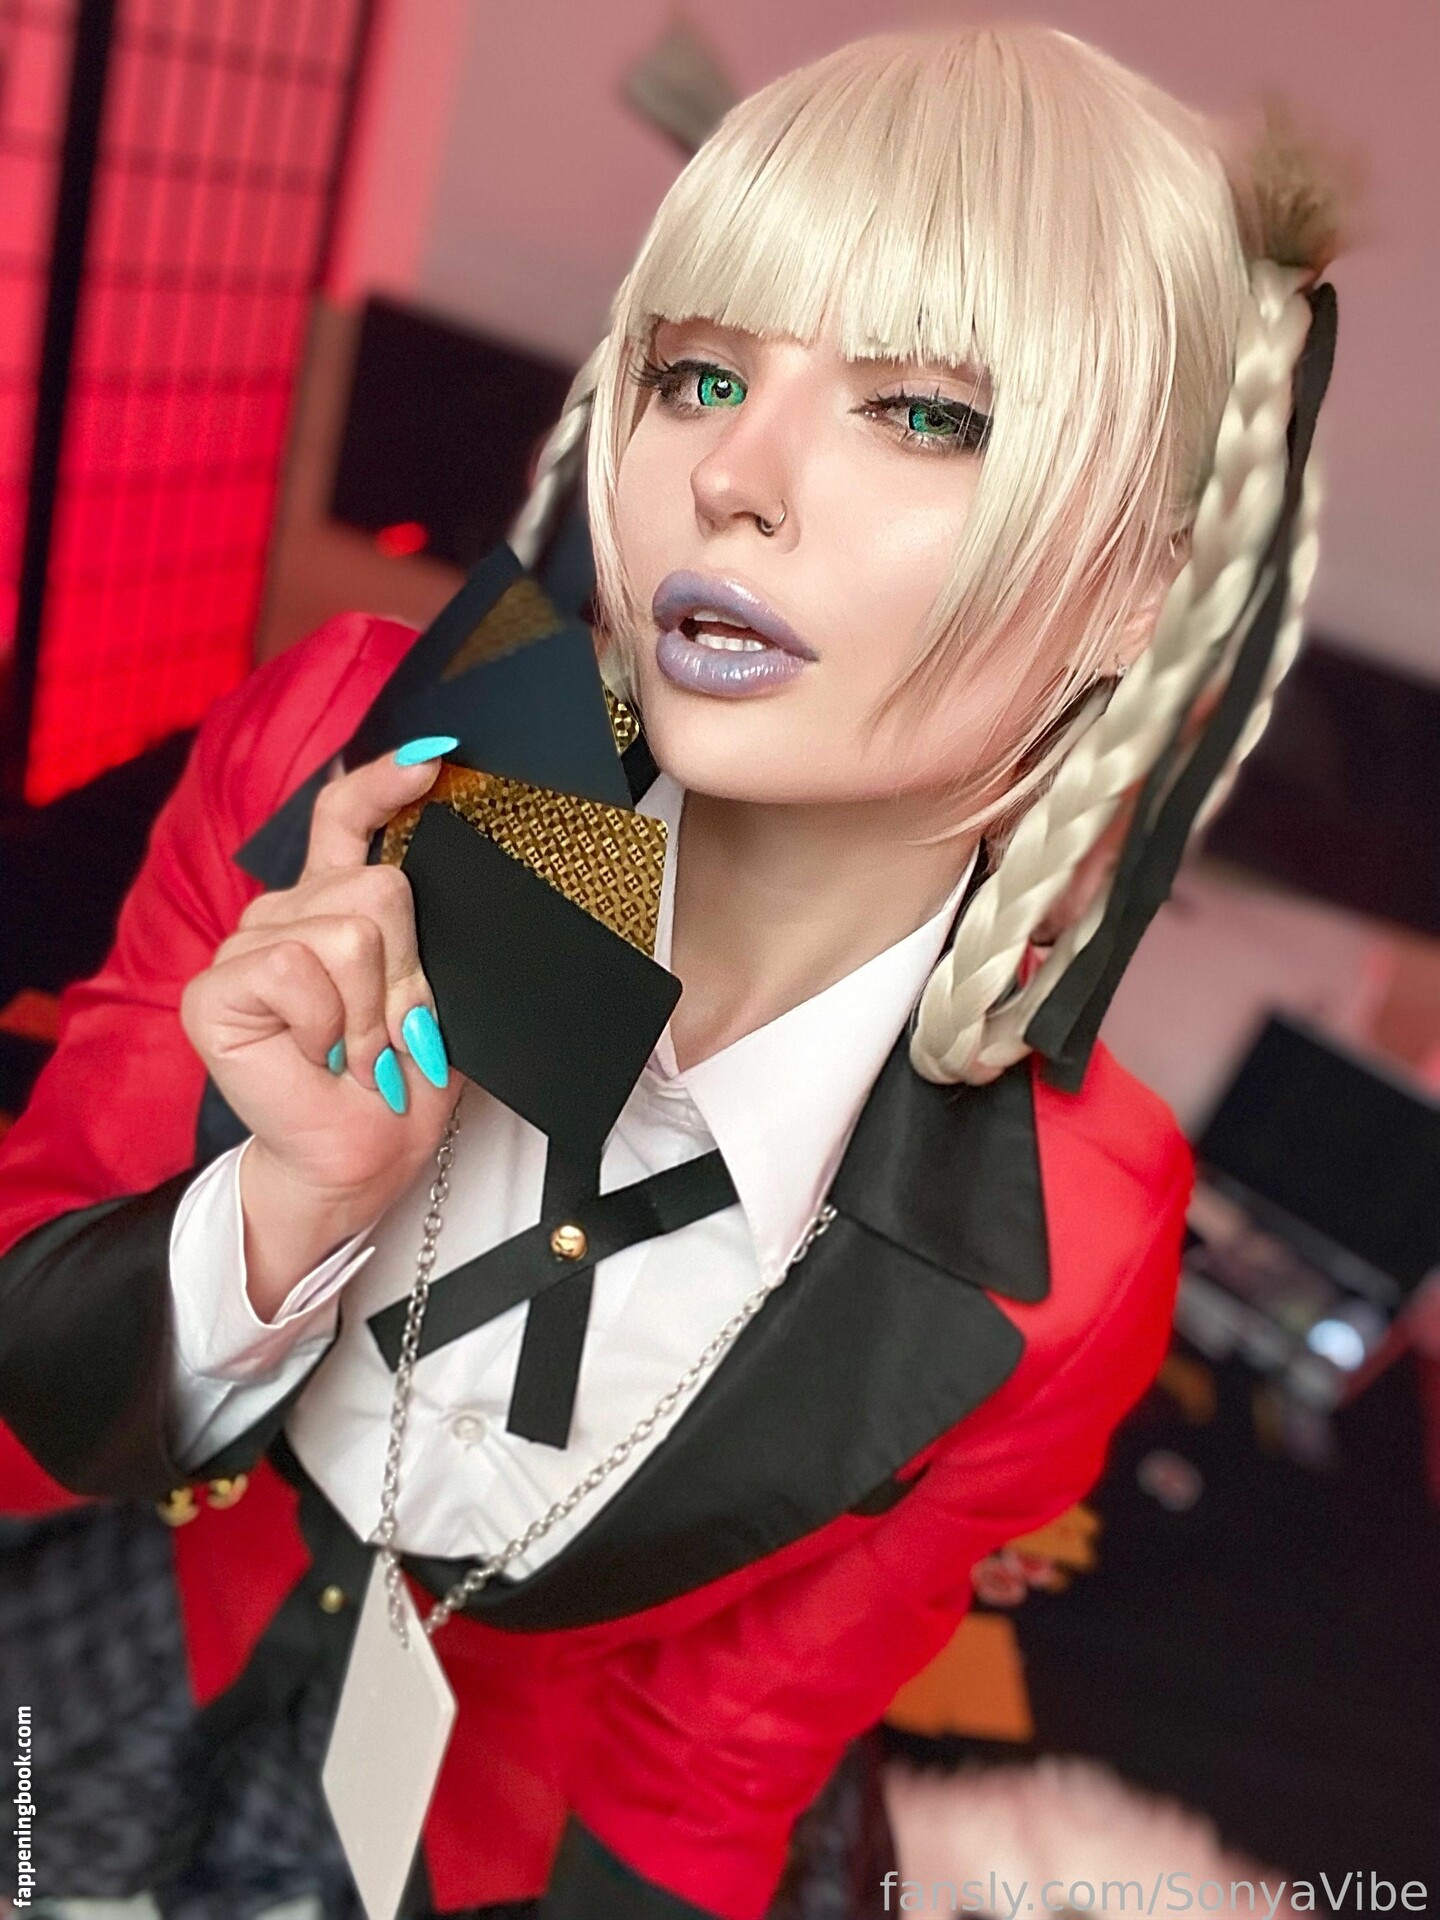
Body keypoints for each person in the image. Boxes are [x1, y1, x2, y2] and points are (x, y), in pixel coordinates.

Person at [0, 23, 1341, 1920]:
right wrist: (283, 1216)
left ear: (1140, 585)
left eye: (925, 414)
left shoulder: (1075, 1234)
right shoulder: (368, 758)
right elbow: (35, 1342)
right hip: (118, 1603)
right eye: (700, 374)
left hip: (497, 1835)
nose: (735, 475)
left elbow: (719, 1752)